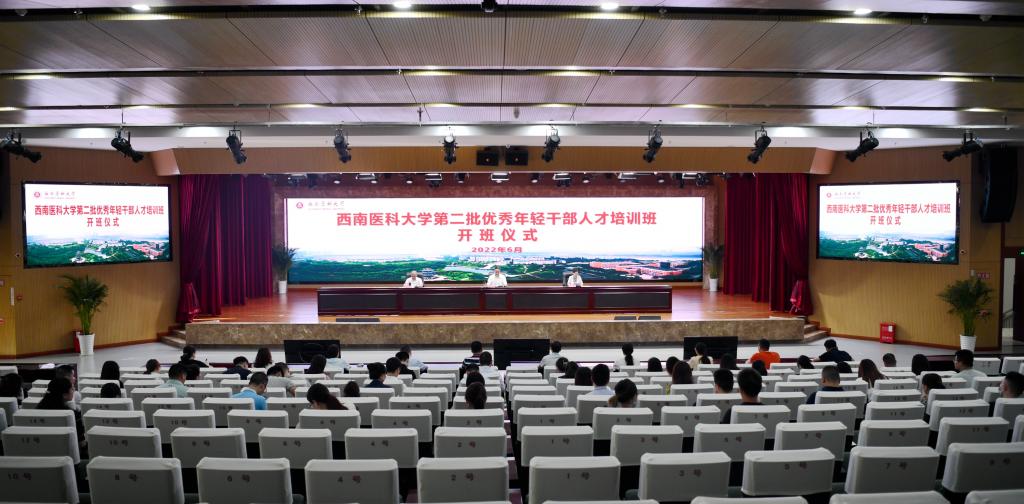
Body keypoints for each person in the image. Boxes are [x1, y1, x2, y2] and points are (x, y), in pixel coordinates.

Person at [37, 378, 85, 447]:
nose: (74, 390)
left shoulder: (37, 410)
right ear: (64, 395)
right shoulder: (73, 415)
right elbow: (82, 444)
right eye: (72, 388)